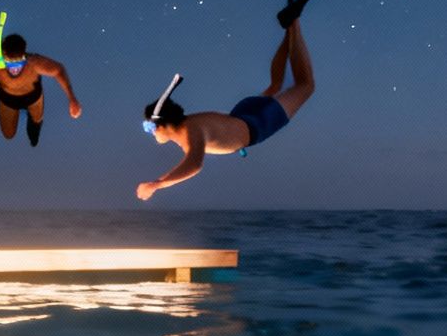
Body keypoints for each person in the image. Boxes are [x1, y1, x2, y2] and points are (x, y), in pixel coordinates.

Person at [135, 18, 316, 201]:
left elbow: (194, 164)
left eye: (149, 127)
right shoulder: (189, 124)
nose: (150, 132)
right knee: (275, 85)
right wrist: (157, 183)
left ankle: (294, 23)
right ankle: (289, 29)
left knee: (306, 85)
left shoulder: (189, 131)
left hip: (258, 123)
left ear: (164, 124)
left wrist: (156, 184)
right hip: (243, 113)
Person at [0, 33, 81, 147]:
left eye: (19, 63)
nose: (15, 69)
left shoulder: (34, 63)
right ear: (2, 59)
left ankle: (34, 127)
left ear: (24, 56)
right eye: (10, 64)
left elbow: (58, 70)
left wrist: (72, 98)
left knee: (35, 124)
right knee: (8, 134)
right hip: (7, 100)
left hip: (33, 98)